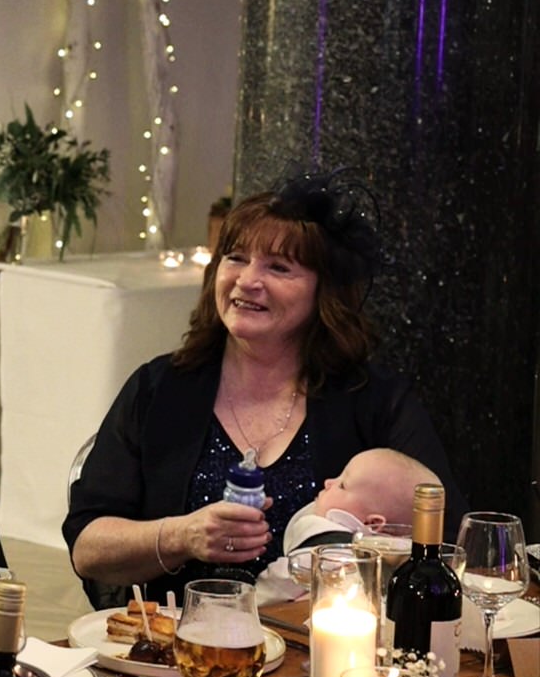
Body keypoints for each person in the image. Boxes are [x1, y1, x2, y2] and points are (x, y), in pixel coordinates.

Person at [64, 173, 462, 608]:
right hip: (173, 655)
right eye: (235, 258)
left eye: (279, 267)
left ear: (323, 292)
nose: (247, 280)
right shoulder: (159, 389)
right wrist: (183, 536)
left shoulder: (375, 400)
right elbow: (88, 549)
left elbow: (446, 540)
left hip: (321, 657)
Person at [253, 446, 436, 604]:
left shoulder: (328, 544)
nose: (328, 482)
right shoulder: (406, 562)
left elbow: (278, 583)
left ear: (372, 523)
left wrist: (250, 598)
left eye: (342, 485)